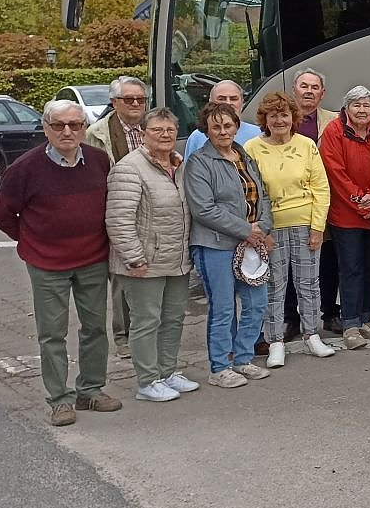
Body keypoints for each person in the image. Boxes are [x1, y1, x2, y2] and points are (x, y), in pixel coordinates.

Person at [0, 100, 120, 425]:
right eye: (58, 125)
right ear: (46, 128)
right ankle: (60, 400)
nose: (67, 131)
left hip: (92, 260)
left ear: (84, 127)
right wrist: (31, 240)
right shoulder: (23, 168)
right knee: (52, 334)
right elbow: (3, 213)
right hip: (47, 265)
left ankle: (90, 390)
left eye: (75, 125)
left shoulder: (98, 160)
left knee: (95, 328)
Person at [105, 108, 199, 401]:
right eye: (157, 130)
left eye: (170, 130)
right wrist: (134, 258)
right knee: (146, 322)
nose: (165, 135)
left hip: (176, 259)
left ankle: (167, 372)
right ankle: (147, 381)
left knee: (173, 319)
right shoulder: (129, 168)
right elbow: (119, 219)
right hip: (143, 263)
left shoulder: (179, 165)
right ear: (143, 134)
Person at [185, 103, 273, 389]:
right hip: (215, 245)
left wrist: (262, 227)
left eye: (228, 125)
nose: (223, 131)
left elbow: (263, 196)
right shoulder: (199, 162)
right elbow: (203, 209)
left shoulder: (244, 156)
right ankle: (220, 366)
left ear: (236, 125)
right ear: (206, 130)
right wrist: (246, 230)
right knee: (223, 308)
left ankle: (243, 359)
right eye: (216, 127)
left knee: (256, 303)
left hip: (251, 243)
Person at [246, 92, 335, 367]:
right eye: (273, 115)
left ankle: (312, 335)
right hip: (270, 229)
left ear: (293, 117)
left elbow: (321, 187)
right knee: (274, 286)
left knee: (308, 284)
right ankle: (275, 342)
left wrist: (317, 228)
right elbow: (250, 193)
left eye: (284, 114)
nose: (279, 120)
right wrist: (261, 230)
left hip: (305, 225)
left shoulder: (307, 145)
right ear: (264, 119)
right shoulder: (251, 148)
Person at [84, 75, 148, 359]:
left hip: (150, 210)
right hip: (117, 210)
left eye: (140, 99)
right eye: (128, 99)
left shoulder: (152, 126)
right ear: (114, 102)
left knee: (150, 273)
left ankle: (147, 331)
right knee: (122, 276)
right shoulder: (97, 134)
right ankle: (124, 337)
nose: (135, 104)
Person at [320, 86, 370, 350]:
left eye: (366, 105)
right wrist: (361, 202)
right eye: (356, 105)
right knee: (351, 269)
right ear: (346, 108)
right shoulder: (334, 131)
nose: (362, 110)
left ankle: (365, 318)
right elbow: (335, 172)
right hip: (346, 214)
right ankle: (350, 324)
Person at [291, 69, 341, 335]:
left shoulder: (333, 120)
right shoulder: (282, 120)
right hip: (292, 202)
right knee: (288, 263)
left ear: (322, 93)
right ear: (294, 90)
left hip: (325, 200)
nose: (309, 91)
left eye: (314, 87)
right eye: (304, 86)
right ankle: (290, 317)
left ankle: (330, 312)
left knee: (328, 261)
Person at [184, 80, 264, 155]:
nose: (228, 103)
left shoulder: (259, 134)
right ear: (210, 102)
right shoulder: (197, 137)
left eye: (233, 99)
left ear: (242, 103)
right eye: (221, 99)